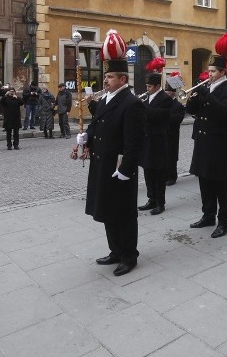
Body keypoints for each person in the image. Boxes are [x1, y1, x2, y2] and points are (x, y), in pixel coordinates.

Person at [74, 29, 144, 276]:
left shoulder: (131, 103)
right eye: (106, 76)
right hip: (101, 164)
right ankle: (115, 250)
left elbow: (134, 142)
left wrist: (126, 171)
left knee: (123, 214)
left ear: (123, 79)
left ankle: (129, 255)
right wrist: (86, 138)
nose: (105, 80)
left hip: (119, 167)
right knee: (107, 211)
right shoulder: (104, 100)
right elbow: (96, 126)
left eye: (111, 76)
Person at [186, 34, 227, 238]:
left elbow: (224, 113)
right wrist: (193, 97)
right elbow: (192, 110)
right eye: (208, 71)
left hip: (218, 143)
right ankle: (207, 215)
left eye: (212, 72)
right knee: (204, 181)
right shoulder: (205, 89)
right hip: (202, 141)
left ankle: (223, 221)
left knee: (220, 184)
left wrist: (207, 96)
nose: (208, 75)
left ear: (222, 72)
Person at [138, 72, 172, 215]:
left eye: (150, 86)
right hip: (146, 140)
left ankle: (160, 203)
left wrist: (142, 106)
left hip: (158, 141)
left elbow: (158, 116)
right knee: (148, 171)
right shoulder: (147, 97)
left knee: (158, 172)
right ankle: (151, 199)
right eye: (146, 86)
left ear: (158, 86)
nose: (147, 89)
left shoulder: (165, 99)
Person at [163, 77, 185, 186]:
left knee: (171, 156)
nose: (166, 94)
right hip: (162, 134)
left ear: (173, 94)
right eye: (165, 92)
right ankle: (164, 176)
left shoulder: (179, 106)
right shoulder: (161, 104)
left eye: (168, 93)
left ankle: (172, 176)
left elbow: (177, 120)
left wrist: (164, 115)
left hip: (172, 134)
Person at [0, 85, 23, 150]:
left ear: (15, 92)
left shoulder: (17, 98)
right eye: (10, 91)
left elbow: (22, 103)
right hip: (8, 117)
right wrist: (5, 95)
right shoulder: (5, 98)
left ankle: (16, 145)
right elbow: (1, 102)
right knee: (8, 133)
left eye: (13, 91)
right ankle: (9, 145)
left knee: (16, 133)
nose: (12, 93)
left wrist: (16, 97)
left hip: (16, 118)